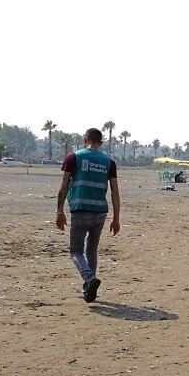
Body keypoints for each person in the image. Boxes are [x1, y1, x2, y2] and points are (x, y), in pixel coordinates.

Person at [55, 128, 121, 303]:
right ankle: (89, 289)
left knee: (76, 250)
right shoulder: (109, 162)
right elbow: (115, 192)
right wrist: (116, 218)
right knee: (91, 249)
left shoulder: (74, 157)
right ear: (101, 142)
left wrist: (59, 211)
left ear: (85, 140)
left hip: (80, 209)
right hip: (100, 211)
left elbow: (64, 186)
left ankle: (89, 279)